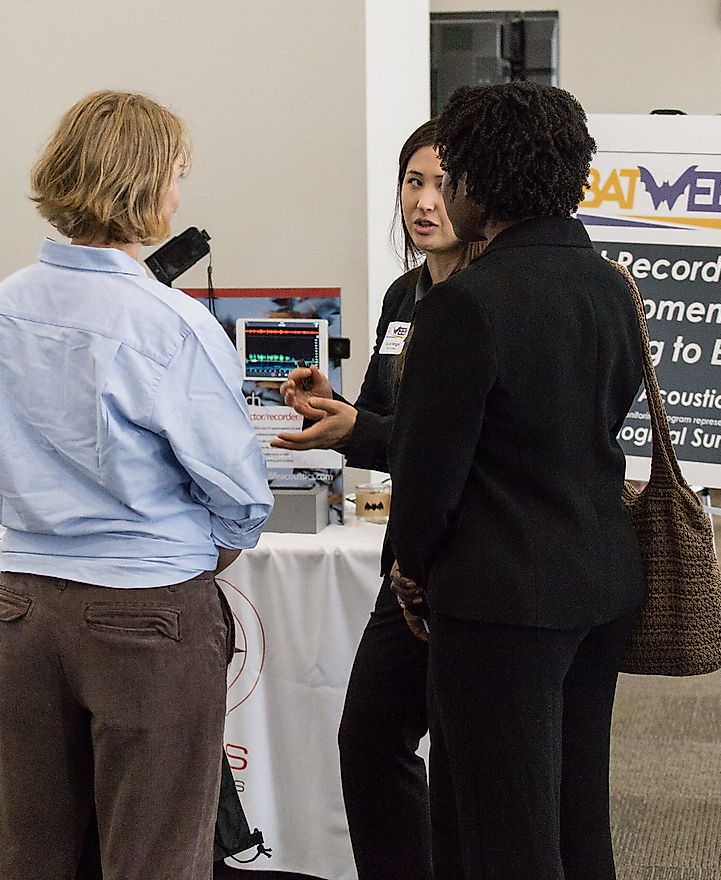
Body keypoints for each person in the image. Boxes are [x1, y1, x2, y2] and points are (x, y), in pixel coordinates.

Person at [0, 90, 272, 880]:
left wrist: (34, 502)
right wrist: (211, 545)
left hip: (26, 601)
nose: (178, 194)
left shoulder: (7, 305)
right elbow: (239, 489)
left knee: (27, 849)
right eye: (175, 175)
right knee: (154, 853)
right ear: (145, 183)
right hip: (147, 608)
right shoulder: (169, 322)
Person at [386, 82, 647, 879]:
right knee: (574, 815)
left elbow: (428, 482)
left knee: (500, 827)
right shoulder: (611, 286)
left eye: (450, 174)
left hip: (500, 601)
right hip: (599, 584)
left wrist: (410, 570)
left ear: (476, 181)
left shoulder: (463, 307)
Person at [271, 119, 482, 880]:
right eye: (412, 182)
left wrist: (368, 428)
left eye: (441, 183)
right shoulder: (407, 291)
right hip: (408, 563)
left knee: (467, 765)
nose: (425, 202)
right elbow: (386, 424)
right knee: (369, 740)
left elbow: (468, 443)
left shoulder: (493, 297)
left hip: (472, 559)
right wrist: (339, 417)